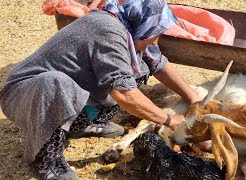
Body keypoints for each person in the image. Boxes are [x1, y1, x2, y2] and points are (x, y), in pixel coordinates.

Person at [0, 0, 199, 179]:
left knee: (136, 71)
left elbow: (158, 64)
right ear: (144, 26)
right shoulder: (109, 32)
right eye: (156, 32)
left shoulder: (130, 29)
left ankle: (84, 123)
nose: (156, 40)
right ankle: (46, 161)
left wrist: (192, 97)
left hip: (59, 91)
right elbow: (124, 94)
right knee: (57, 83)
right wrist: (169, 119)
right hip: (25, 94)